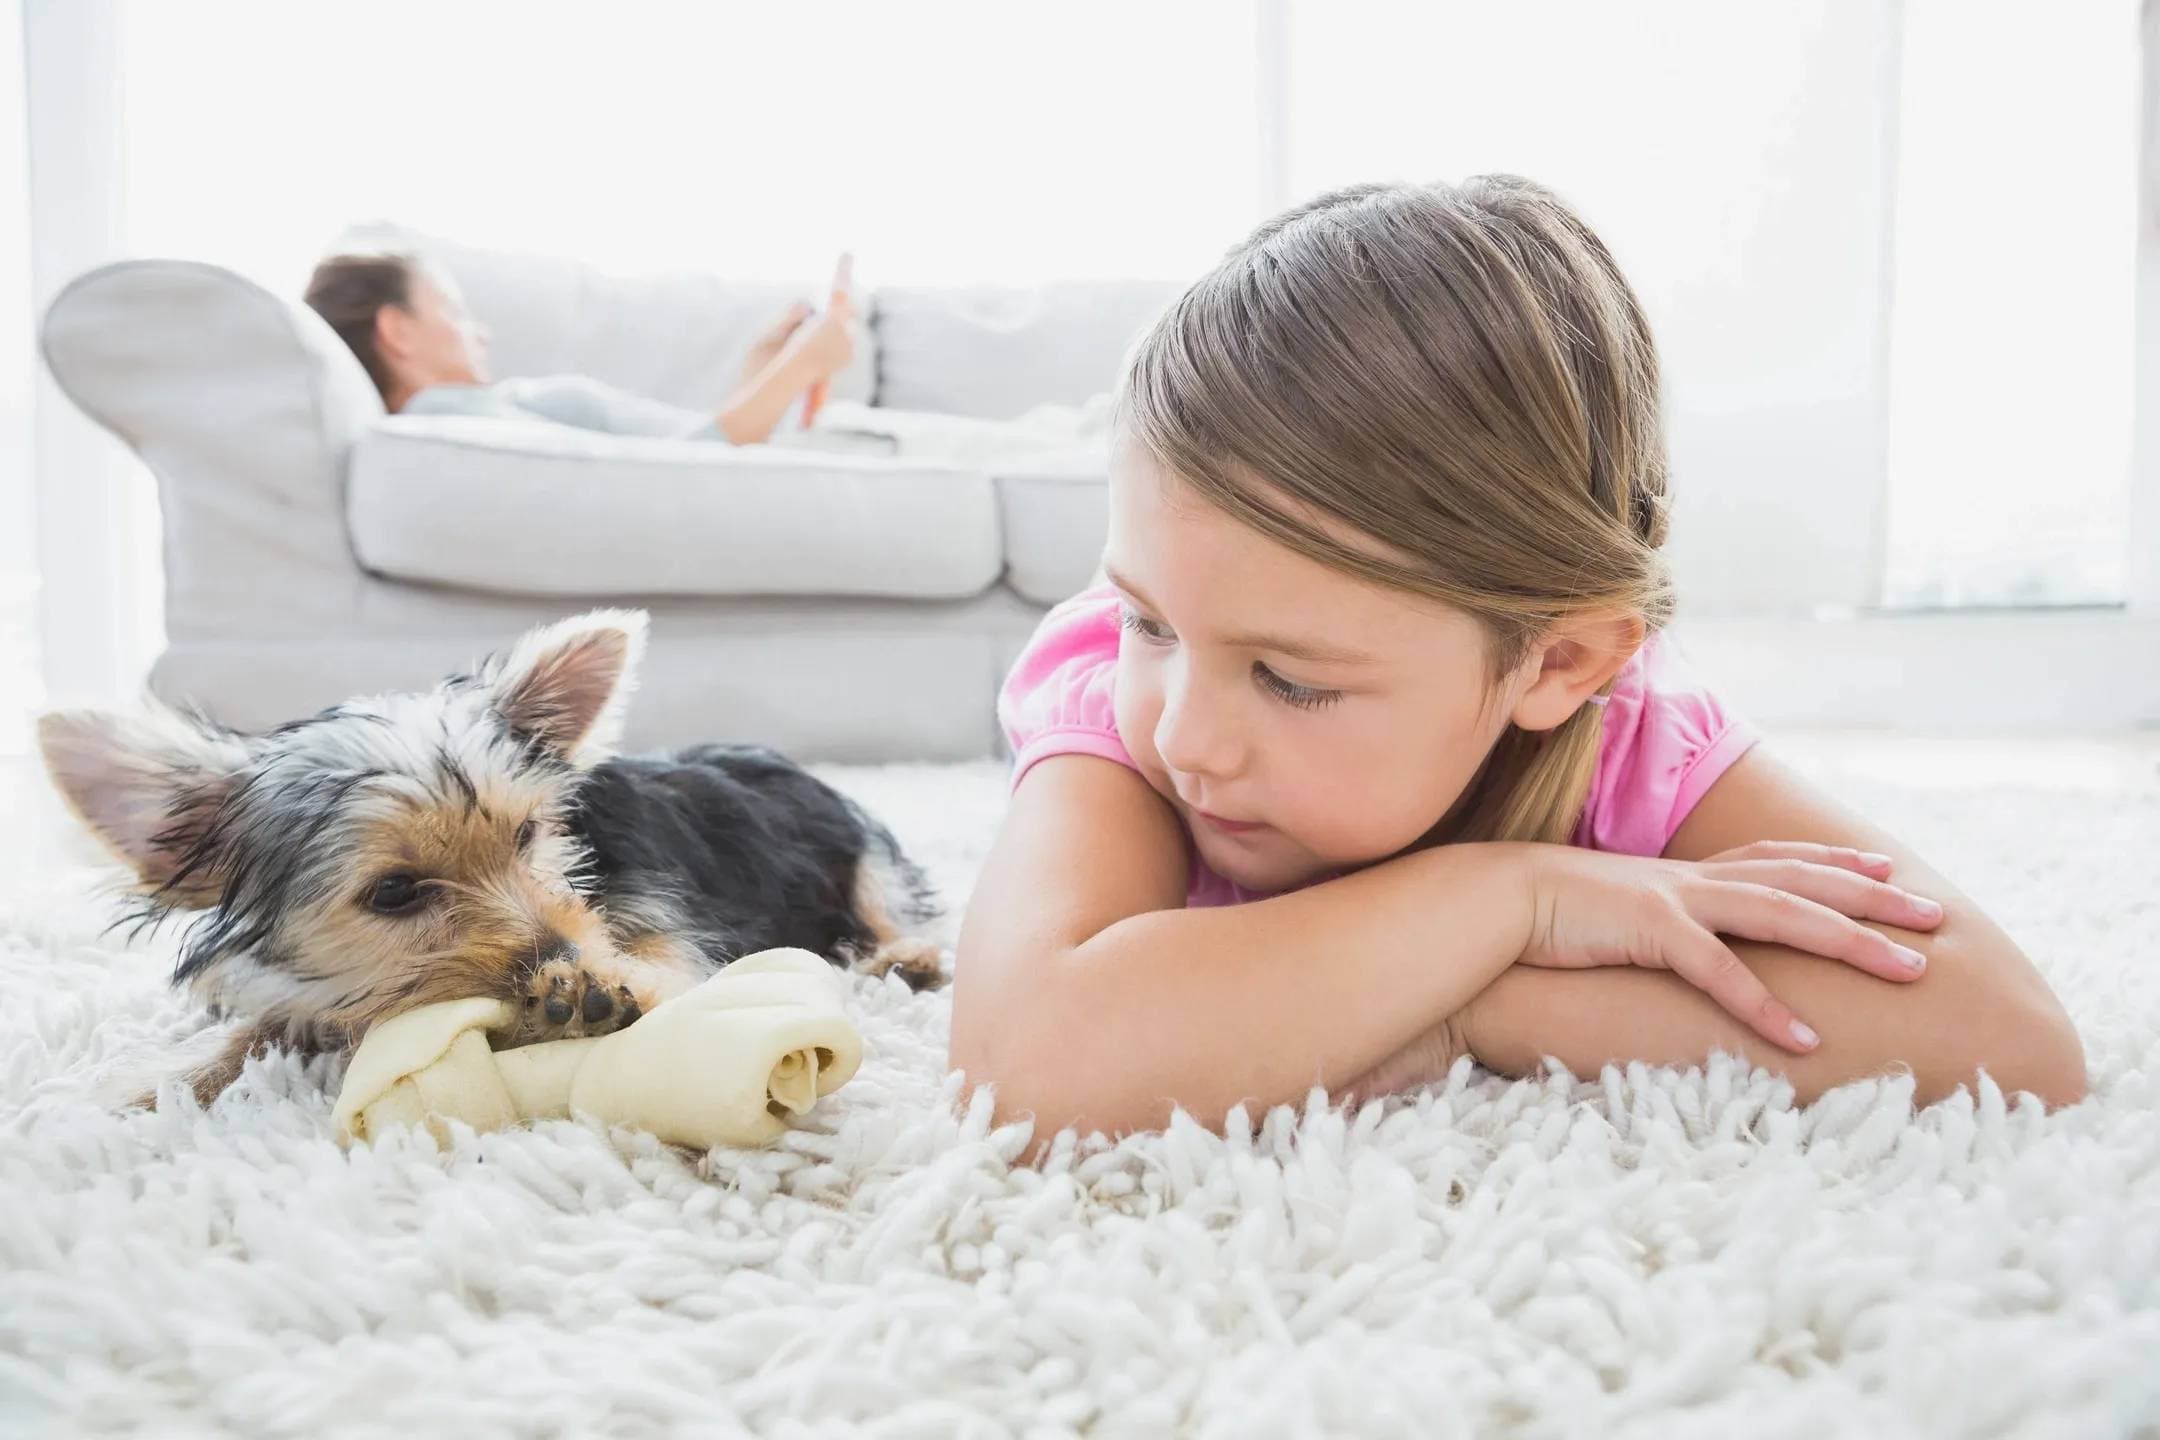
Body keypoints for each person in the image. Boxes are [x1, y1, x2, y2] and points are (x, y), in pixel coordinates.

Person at [951, 176, 2086, 1164]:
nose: (1182, 733)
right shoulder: (1115, 706)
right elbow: (1024, 1069)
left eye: (1291, 681)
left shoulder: (1629, 742)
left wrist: (1479, 999)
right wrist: (1509, 900)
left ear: (1559, 661)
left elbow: (2010, 1039)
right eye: (1148, 621)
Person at [302, 249, 1116, 458]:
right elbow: (696, 459)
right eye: (453, 310)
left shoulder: (486, 414)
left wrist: (769, 367)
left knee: (1053, 434)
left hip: (798, 448)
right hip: (823, 451)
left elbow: (690, 452)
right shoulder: (457, 425)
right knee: (1052, 437)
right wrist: (799, 365)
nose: (478, 331)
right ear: (397, 331)